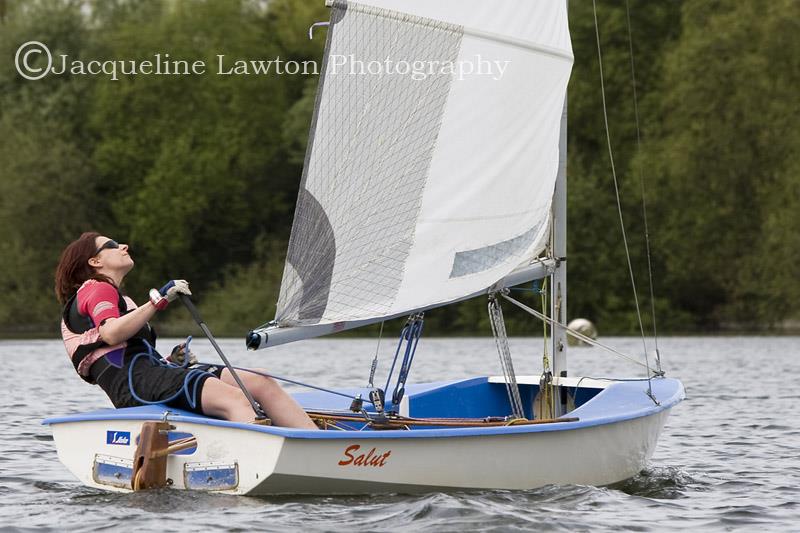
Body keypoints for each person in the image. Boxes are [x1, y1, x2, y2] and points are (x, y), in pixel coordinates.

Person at [54, 231, 317, 429]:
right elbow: (110, 333)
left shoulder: (120, 299)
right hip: (134, 387)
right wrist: (160, 300)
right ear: (95, 261)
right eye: (112, 245)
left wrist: (171, 361)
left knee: (260, 380)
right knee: (235, 399)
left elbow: (125, 350)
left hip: (150, 376)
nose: (124, 246)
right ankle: (269, 457)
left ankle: (316, 444)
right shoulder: (96, 288)